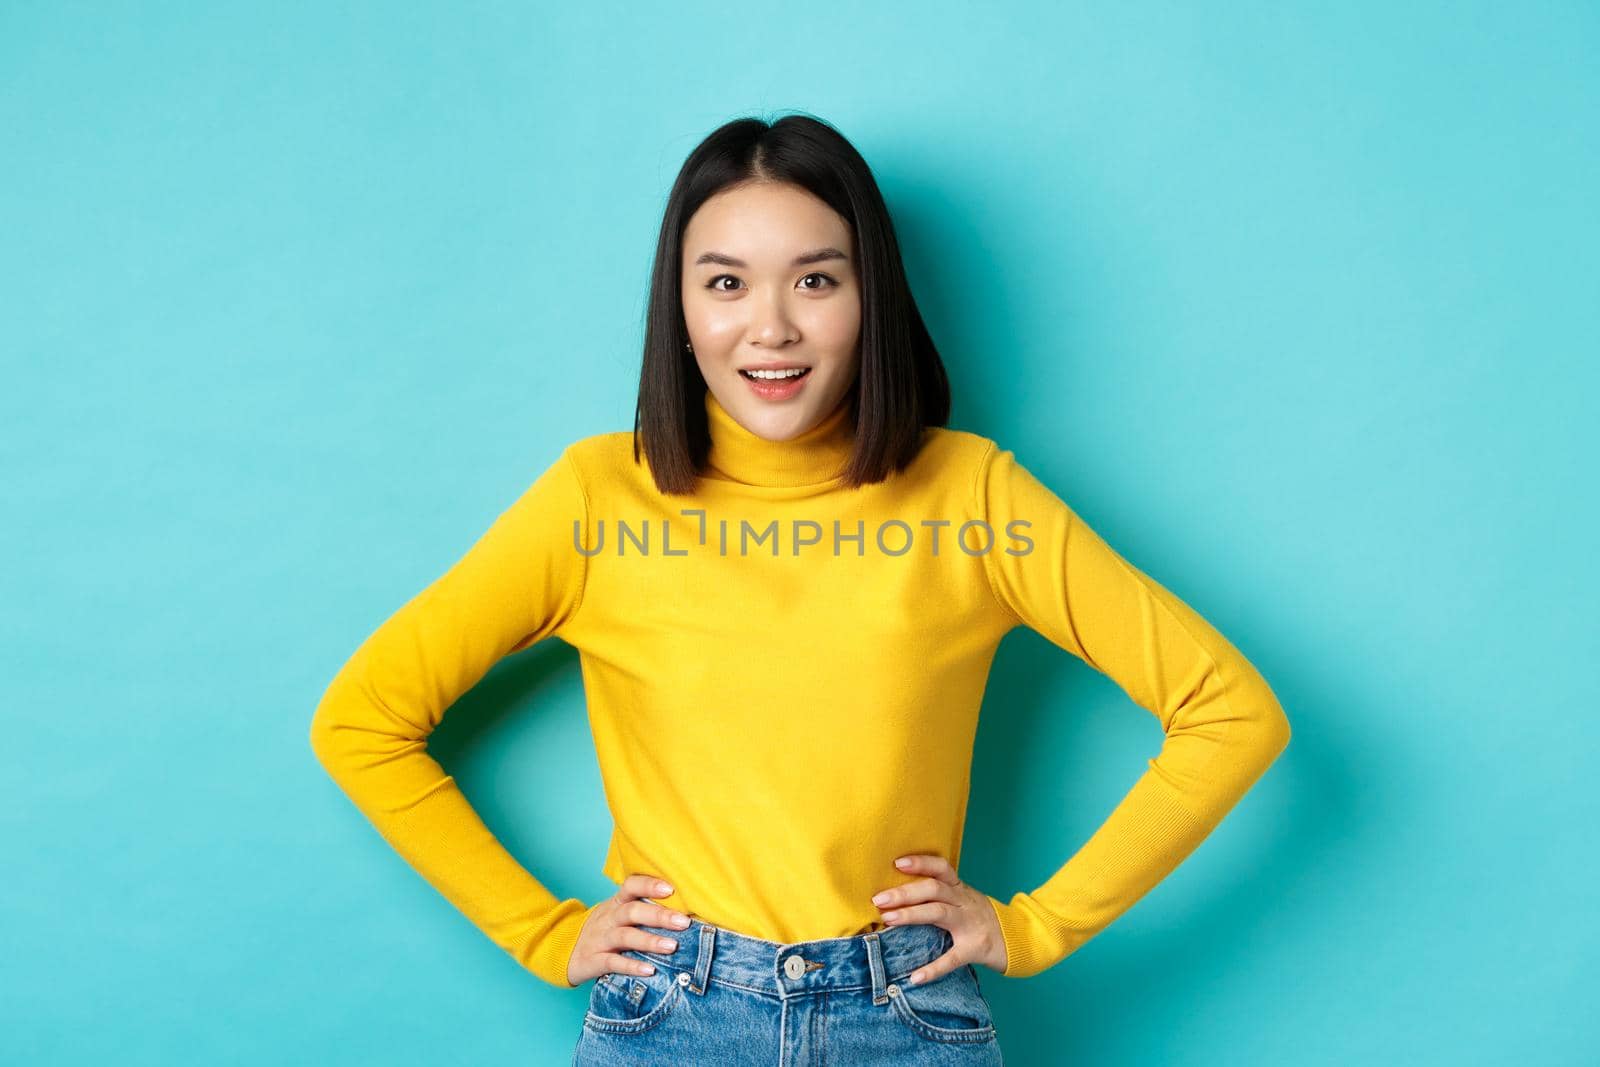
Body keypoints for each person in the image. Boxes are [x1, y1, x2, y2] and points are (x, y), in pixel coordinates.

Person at [309, 112, 1291, 1065]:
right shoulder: (595, 499)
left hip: (907, 1010)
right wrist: (540, 930)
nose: (770, 327)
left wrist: (1035, 926)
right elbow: (362, 719)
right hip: (671, 1011)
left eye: (815, 279)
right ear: (681, 309)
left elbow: (1227, 712)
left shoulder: (974, 496)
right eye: (725, 281)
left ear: (871, 300)